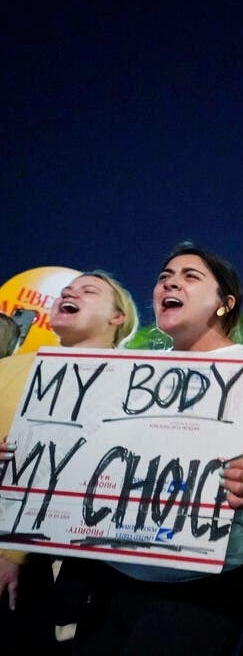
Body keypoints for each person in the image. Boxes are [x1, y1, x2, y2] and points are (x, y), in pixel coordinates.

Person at [68, 242, 243, 656]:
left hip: (204, 588)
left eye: (189, 276)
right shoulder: (130, 373)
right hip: (113, 577)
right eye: (164, 276)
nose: (170, 282)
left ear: (225, 303)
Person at [1, 270, 139, 654]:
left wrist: (13, 553)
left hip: (74, 573)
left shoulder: (138, 386)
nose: (69, 293)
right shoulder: (9, 369)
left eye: (88, 290)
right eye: (66, 290)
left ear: (117, 319)